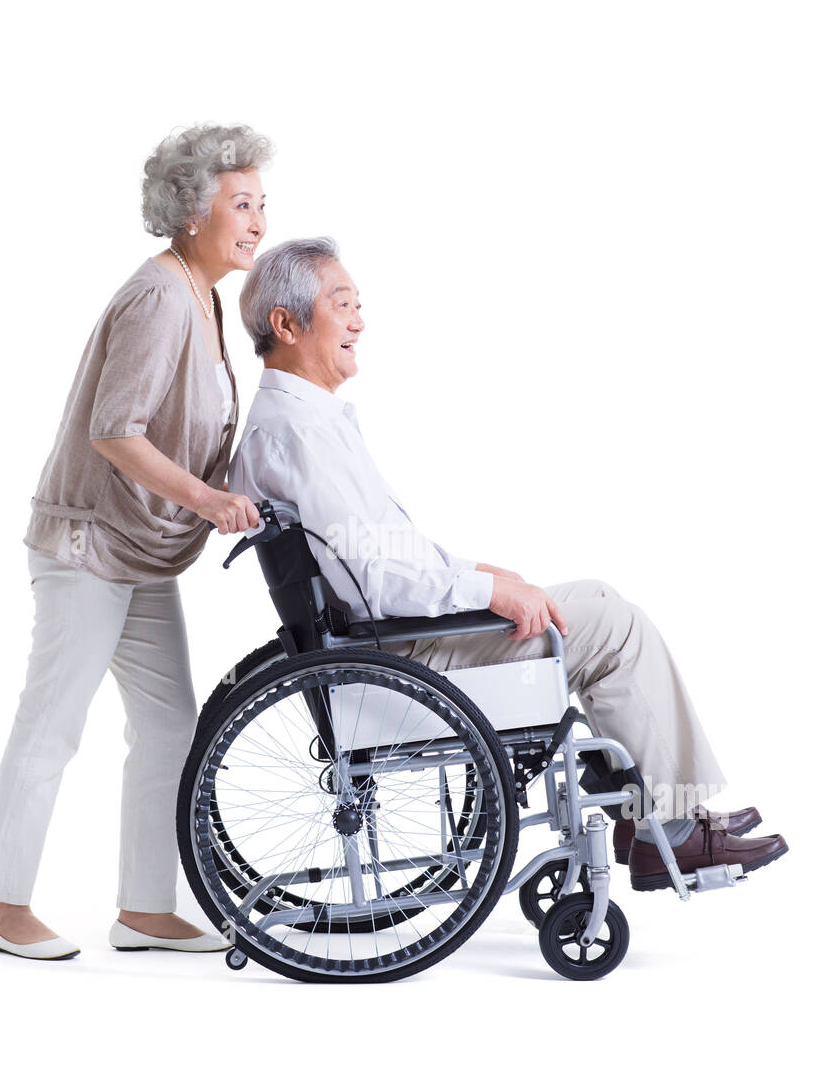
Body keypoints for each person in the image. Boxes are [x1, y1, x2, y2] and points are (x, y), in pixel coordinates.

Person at [229, 237, 788, 891]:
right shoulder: (298, 431)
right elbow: (379, 579)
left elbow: (378, 554)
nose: (359, 321)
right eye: (343, 305)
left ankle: (655, 814)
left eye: (359, 306)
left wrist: (485, 576)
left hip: (390, 647)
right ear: (287, 324)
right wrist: (485, 591)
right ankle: (671, 828)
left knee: (599, 597)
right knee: (616, 629)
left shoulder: (304, 421)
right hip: (399, 662)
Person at [0, 123, 269, 959]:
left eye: (260, 203)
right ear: (188, 209)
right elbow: (116, 431)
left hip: (138, 553)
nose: (256, 220)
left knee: (170, 726)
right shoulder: (159, 296)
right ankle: (5, 907)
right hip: (86, 548)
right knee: (53, 723)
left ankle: (144, 907)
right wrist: (208, 499)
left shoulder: (203, 298)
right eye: (239, 203)